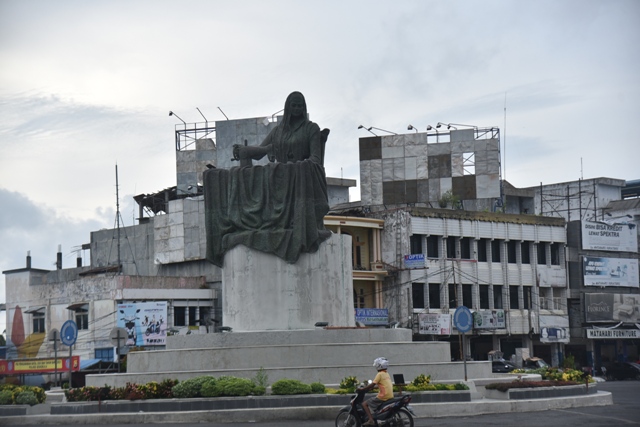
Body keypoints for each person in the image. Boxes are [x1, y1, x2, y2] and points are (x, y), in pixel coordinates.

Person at [203, 91, 331, 267]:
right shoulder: (278, 131)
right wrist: (243, 150)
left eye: (300, 105)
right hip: (279, 177)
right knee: (241, 176)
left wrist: (299, 166)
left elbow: (315, 159)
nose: (297, 109)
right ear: (287, 107)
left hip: (301, 178)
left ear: (304, 107)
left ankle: (286, 221)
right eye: (293, 105)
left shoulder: (311, 129)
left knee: (285, 172)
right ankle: (250, 220)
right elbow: (260, 151)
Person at [361, 357, 394, 426]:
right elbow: (382, 385)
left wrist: (363, 389)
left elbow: (372, 384)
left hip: (383, 396)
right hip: (390, 395)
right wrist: (373, 388)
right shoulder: (386, 374)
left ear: (379, 366)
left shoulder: (379, 374)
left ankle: (371, 420)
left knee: (364, 404)